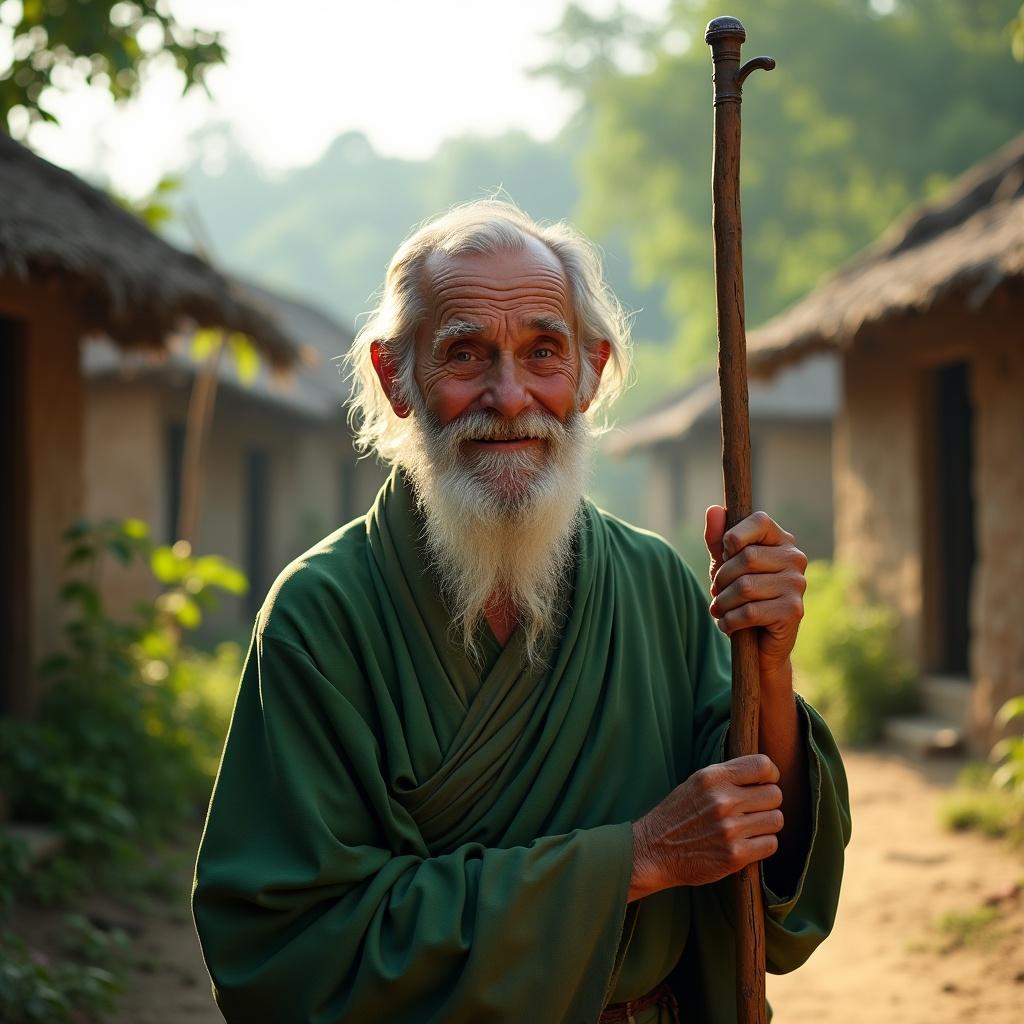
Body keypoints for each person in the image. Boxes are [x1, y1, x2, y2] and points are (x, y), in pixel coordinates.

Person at [192, 200, 850, 1024]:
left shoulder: (650, 584)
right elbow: (289, 948)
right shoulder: (322, 616)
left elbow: (768, 870)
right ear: (397, 377)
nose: (509, 396)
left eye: (544, 351)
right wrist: (634, 862)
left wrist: (772, 661)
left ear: (590, 371)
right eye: (465, 353)